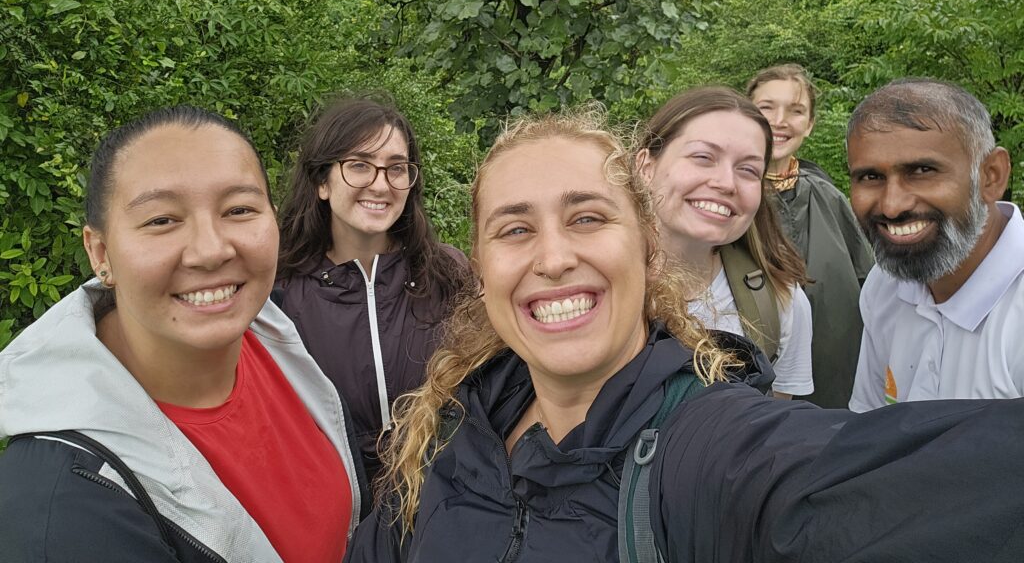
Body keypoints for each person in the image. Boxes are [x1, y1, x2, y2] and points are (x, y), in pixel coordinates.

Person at [344, 107, 1024, 563]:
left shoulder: (708, 449)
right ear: (483, 268)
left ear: (645, 248)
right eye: (515, 229)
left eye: (586, 219)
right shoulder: (451, 425)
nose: (551, 258)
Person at [0, 106, 362, 562]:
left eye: (239, 209)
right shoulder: (55, 511)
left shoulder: (278, 337)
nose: (211, 250)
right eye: (161, 220)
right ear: (100, 252)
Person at [275, 96, 471, 491]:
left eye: (396, 168)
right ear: (322, 182)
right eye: (359, 165)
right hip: (337, 508)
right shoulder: (280, 295)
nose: (381, 184)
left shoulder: (447, 273)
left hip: (443, 499)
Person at [847, 78, 1023, 411]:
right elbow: (871, 430)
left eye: (922, 170)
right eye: (871, 177)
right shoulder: (884, 287)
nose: (892, 206)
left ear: (991, 176)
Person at [637, 87, 814, 399]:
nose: (726, 183)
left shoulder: (779, 302)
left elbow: (770, 426)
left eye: (747, 169)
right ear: (646, 167)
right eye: (703, 157)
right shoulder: (590, 285)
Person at [747, 64, 873, 408]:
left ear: (810, 124)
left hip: (836, 389)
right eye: (766, 108)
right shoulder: (725, 199)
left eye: (796, 110)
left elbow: (873, 284)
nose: (780, 120)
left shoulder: (829, 197)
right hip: (750, 396)